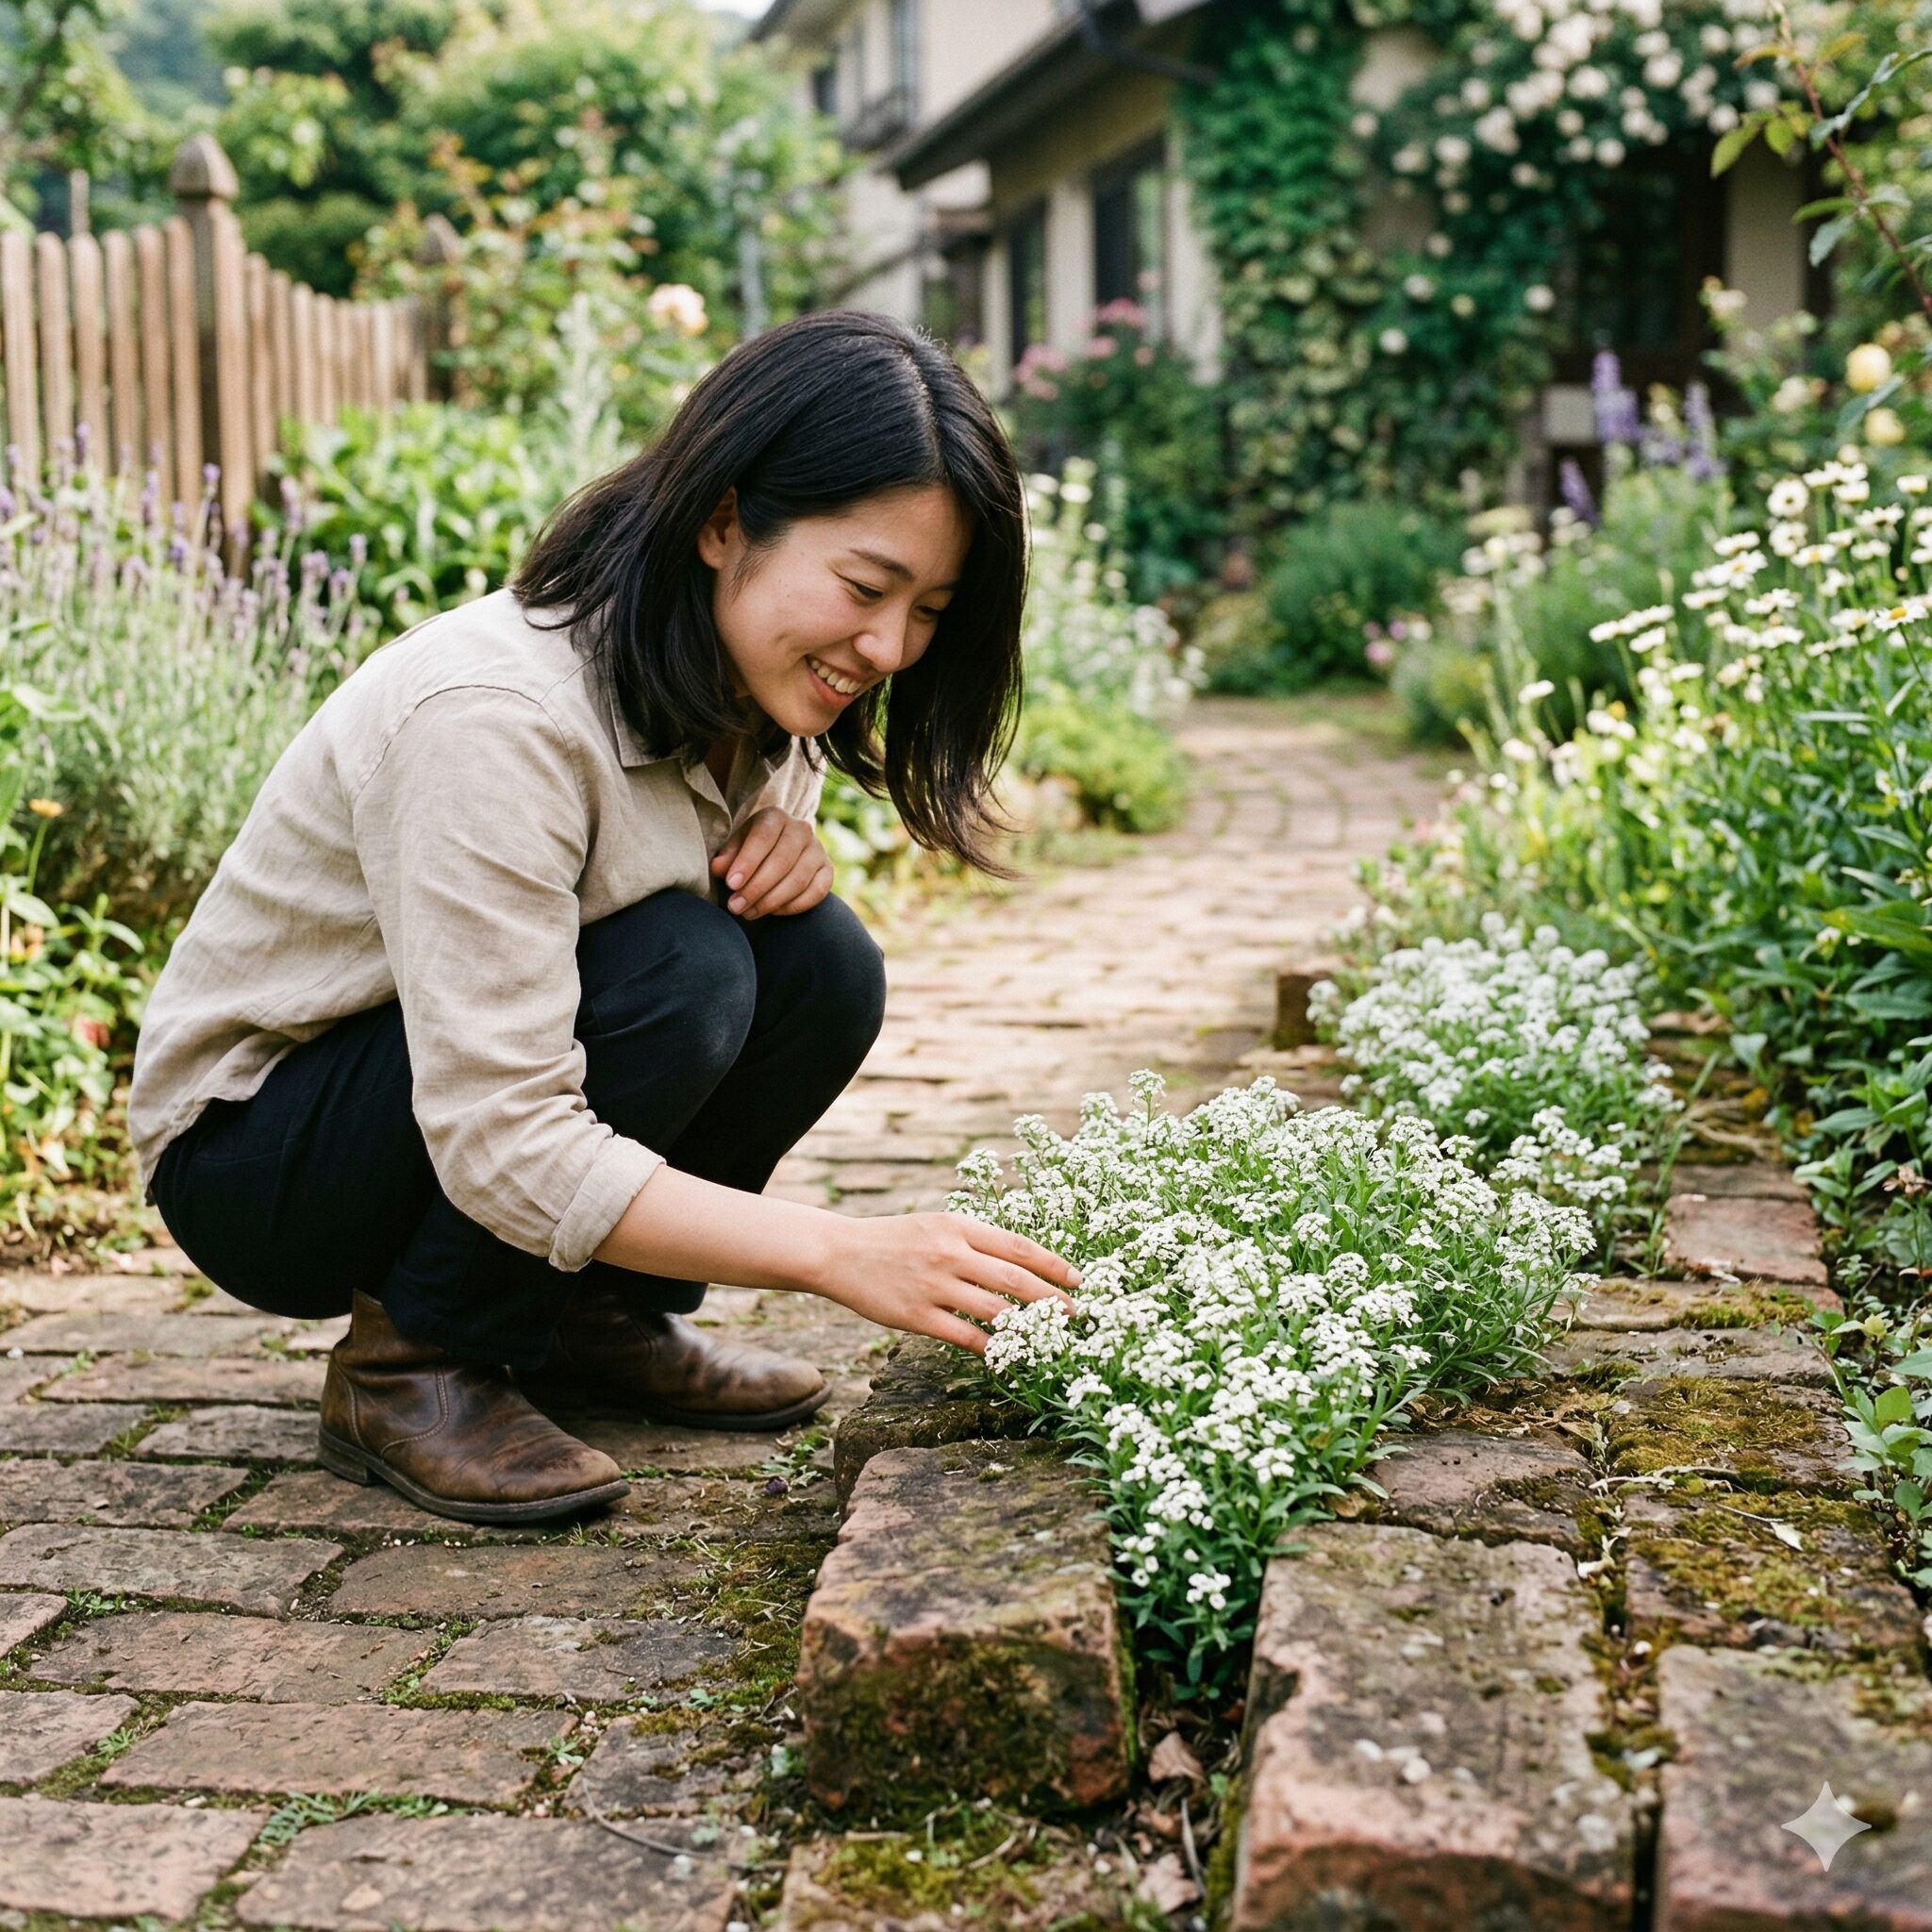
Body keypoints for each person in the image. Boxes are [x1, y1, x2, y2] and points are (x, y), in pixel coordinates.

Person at [128, 310, 1081, 1527]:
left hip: (422, 1100)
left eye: (931, 610)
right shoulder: (495, 718)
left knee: (819, 964)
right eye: (864, 586)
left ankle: (590, 1316)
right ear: (725, 520)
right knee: (686, 969)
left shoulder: (750, 683)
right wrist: (838, 1253)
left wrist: (784, 856)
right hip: (260, 1152)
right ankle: (414, 1364)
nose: (889, 647)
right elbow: (506, 1131)